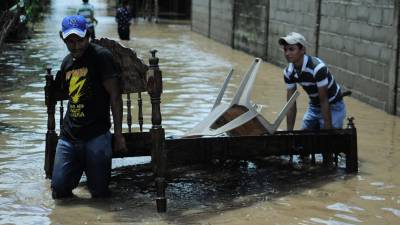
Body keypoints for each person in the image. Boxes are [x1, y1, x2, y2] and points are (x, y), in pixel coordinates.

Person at [51, 15, 127, 199]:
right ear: (63, 37)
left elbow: (115, 97)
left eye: (80, 40)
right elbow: (66, 94)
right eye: (70, 41)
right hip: (69, 136)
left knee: (100, 194)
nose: (76, 46)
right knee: (58, 192)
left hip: (97, 135)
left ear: (88, 36)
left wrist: (118, 136)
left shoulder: (101, 57)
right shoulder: (66, 63)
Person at [279, 32, 346, 131]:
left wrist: (328, 131)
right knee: (304, 139)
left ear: (302, 50)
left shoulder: (317, 68)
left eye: (291, 49)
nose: (287, 53)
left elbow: (324, 100)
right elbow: (291, 105)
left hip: (333, 105)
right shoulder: (288, 72)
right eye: (285, 49)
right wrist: (289, 133)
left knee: (328, 140)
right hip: (314, 106)